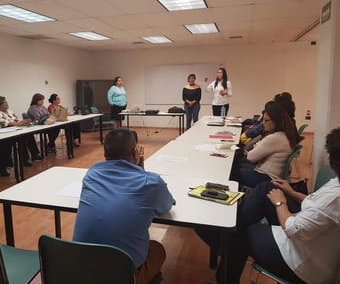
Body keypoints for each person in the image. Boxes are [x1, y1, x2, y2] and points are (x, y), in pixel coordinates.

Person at [198, 127, 340, 284]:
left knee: (241, 233)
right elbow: (318, 205)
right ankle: (225, 234)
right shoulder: (335, 185)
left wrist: (281, 203)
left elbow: (294, 229)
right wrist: (292, 193)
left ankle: (223, 243)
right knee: (267, 188)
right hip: (309, 240)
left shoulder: (335, 197)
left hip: (303, 262)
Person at [73, 128, 174, 284]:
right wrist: (141, 169)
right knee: (157, 249)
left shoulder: (92, 173)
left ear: (105, 153)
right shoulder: (151, 182)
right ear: (135, 152)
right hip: (123, 274)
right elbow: (165, 206)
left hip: (81, 267)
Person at [230, 102, 297, 188]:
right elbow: (257, 150)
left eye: (266, 120)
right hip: (270, 174)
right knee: (235, 164)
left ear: (276, 121)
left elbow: (251, 157)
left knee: (230, 171)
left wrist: (255, 151)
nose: (263, 123)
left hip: (265, 178)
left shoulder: (275, 138)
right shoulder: (284, 134)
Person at [0, 96, 42, 167]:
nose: (7, 103)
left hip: (14, 132)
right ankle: (24, 160)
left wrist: (24, 121)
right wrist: (20, 123)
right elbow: (7, 123)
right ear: (0, 105)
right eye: (5, 102)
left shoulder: (10, 111)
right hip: (4, 137)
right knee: (23, 138)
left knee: (28, 135)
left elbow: (16, 120)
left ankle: (34, 155)